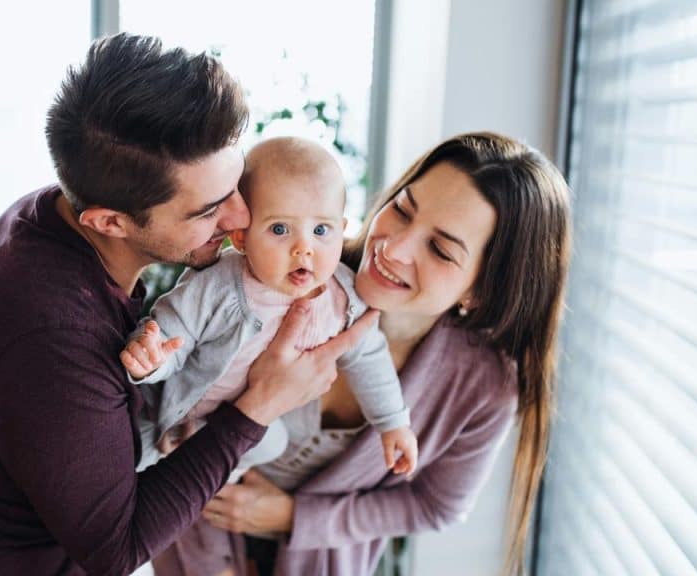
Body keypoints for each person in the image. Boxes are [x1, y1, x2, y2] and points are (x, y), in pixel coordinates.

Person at [0, 33, 377, 576]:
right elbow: (117, 549)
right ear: (110, 222)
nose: (240, 218)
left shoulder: (54, 211)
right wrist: (257, 408)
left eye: (236, 187)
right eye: (210, 210)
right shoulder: (50, 336)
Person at [152, 132, 571, 576]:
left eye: (440, 249)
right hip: (192, 543)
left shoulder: (484, 388)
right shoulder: (285, 275)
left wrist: (294, 517)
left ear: (482, 290)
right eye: (403, 210)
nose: (394, 247)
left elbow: (435, 505)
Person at [123, 137, 416, 484]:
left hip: (233, 430)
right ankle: (173, 447)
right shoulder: (220, 285)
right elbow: (172, 332)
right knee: (121, 473)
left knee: (273, 442)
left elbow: (370, 358)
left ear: (342, 230)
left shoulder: (345, 301)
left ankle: (212, 462)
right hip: (165, 408)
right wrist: (153, 357)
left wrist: (393, 423)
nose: (303, 248)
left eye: (321, 230)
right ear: (242, 237)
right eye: (280, 229)